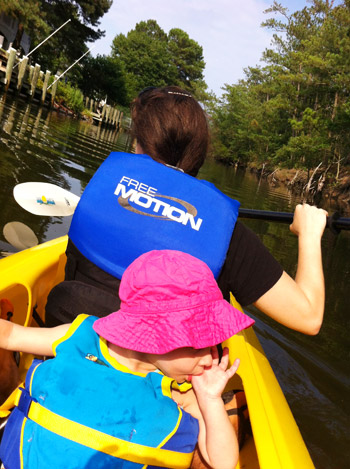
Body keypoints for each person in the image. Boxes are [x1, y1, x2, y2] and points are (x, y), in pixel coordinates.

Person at [45, 85, 327, 337]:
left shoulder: (103, 189)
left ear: (138, 144)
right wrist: (310, 234)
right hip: (160, 386)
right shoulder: (227, 237)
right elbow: (309, 317)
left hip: (67, 348)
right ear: (198, 156)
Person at [0, 250, 255, 469]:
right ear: (161, 337)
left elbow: (222, 462)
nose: (210, 360)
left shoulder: (186, 393)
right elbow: (10, 335)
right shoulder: (79, 336)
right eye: (202, 344)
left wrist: (211, 399)